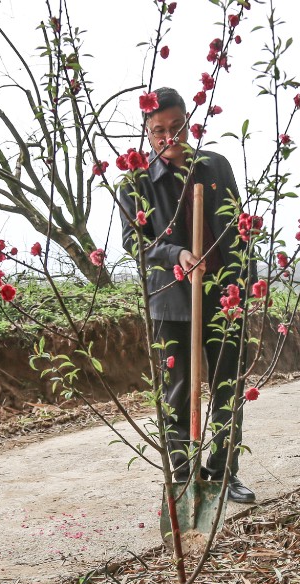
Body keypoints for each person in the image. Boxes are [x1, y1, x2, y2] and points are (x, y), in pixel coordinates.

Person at [119, 87, 256, 504]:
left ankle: (222, 471)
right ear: (147, 132)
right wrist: (176, 252)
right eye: (157, 131)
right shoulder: (135, 182)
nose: (167, 138)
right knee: (177, 392)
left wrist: (242, 283)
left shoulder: (215, 166)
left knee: (227, 387)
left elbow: (238, 229)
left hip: (223, 299)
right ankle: (182, 476)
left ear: (188, 124)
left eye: (176, 128)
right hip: (170, 300)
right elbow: (133, 242)